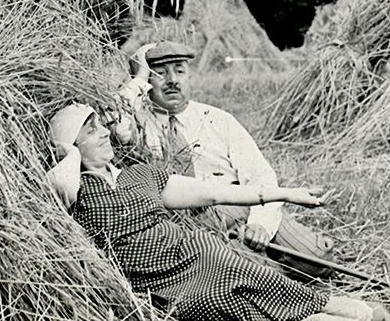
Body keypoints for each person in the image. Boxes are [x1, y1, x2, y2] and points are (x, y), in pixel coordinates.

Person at [45, 102, 390, 321]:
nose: (104, 133)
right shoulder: (76, 189)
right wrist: (71, 153)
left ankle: (357, 312)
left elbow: (214, 193)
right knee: (218, 304)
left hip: (195, 251)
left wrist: (285, 193)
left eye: (101, 126)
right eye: (91, 131)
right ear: (70, 145)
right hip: (157, 281)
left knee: (262, 282)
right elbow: (56, 179)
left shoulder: (141, 174)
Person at [117, 39, 336, 279]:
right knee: (258, 277)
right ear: (146, 81)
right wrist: (136, 80)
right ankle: (258, 270)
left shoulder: (217, 118)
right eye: (159, 74)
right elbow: (112, 118)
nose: (172, 81)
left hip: (242, 205)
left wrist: (260, 224)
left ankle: (260, 257)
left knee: (318, 259)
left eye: (180, 71)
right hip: (192, 224)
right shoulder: (135, 125)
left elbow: (261, 175)